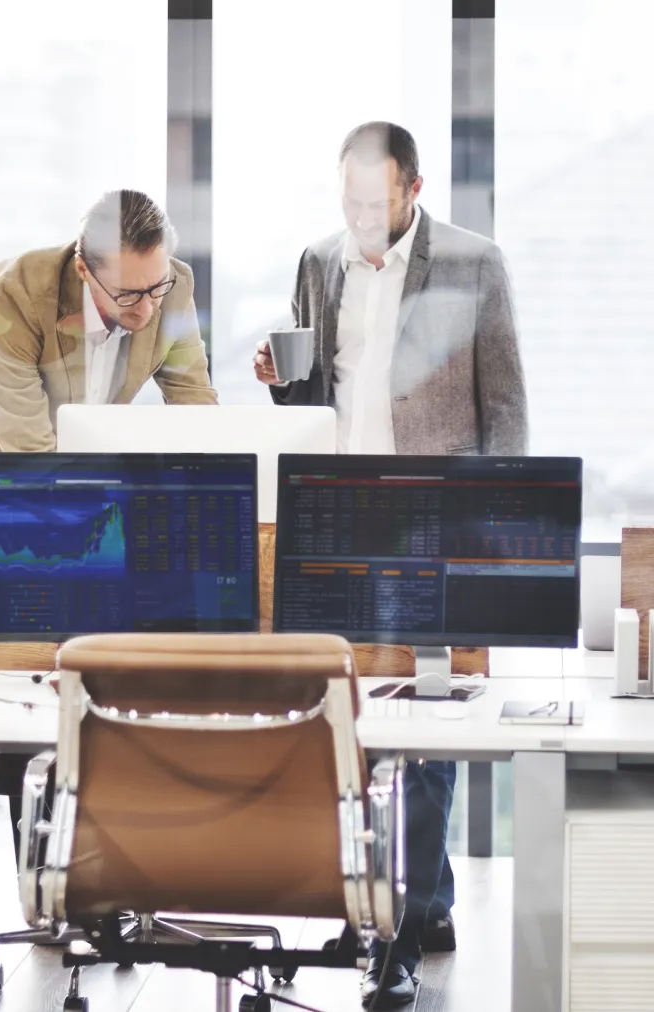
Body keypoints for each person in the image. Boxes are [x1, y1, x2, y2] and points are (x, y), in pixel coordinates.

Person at [254, 121, 527, 1009]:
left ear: (413, 188)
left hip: (435, 523)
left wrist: (497, 532)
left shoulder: (475, 264)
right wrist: (276, 379)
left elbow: (507, 407)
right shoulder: (318, 260)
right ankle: (423, 900)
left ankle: (394, 931)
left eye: (375, 204)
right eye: (349, 203)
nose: (361, 220)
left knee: (429, 728)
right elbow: (312, 395)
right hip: (339, 519)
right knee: (357, 722)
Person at [0, 188, 217, 515]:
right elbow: (29, 453)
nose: (146, 309)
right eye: (127, 294)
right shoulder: (16, 292)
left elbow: (195, 401)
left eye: (156, 287)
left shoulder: (174, 288)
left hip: (44, 475)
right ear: (84, 270)